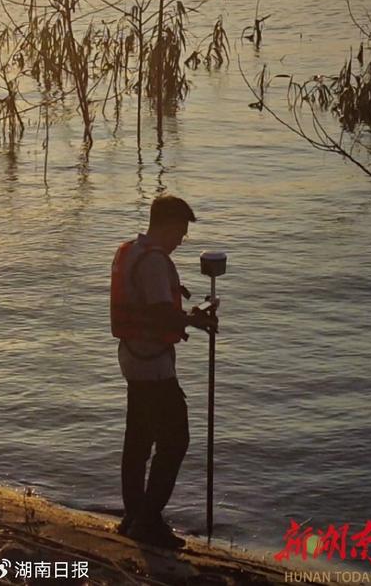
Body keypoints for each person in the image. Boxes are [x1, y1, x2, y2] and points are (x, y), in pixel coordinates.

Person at [110, 194, 217, 549]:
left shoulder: (130, 251)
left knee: (138, 438)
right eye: (181, 231)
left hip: (131, 355)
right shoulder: (155, 261)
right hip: (151, 362)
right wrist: (196, 320)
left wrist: (187, 311)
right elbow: (159, 313)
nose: (181, 240)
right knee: (175, 440)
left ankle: (133, 515)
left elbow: (148, 304)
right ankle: (149, 520)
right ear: (167, 225)